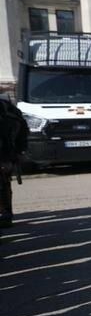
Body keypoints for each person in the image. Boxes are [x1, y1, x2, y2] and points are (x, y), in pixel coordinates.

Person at [0, 93, 29, 231]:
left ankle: (6, 216)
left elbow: (8, 135)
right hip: (8, 155)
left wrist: (9, 157)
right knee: (4, 185)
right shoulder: (8, 108)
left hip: (4, 155)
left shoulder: (5, 110)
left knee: (3, 186)